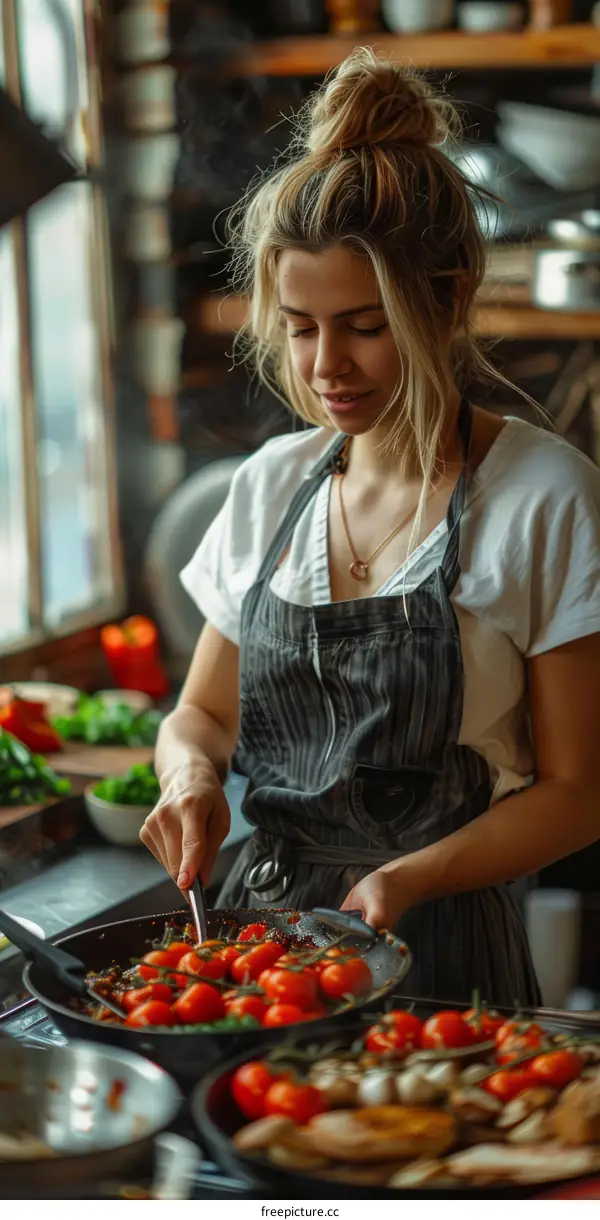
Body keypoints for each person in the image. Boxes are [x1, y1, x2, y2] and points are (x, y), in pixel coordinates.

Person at [140, 50, 600, 1005]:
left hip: (442, 950)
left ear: (449, 299)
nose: (324, 368)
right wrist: (187, 778)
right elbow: (204, 714)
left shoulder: (544, 495)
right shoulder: (272, 484)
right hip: (257, 946)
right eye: (300, 327)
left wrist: (410, 877)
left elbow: (578, 794)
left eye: (364, 324)